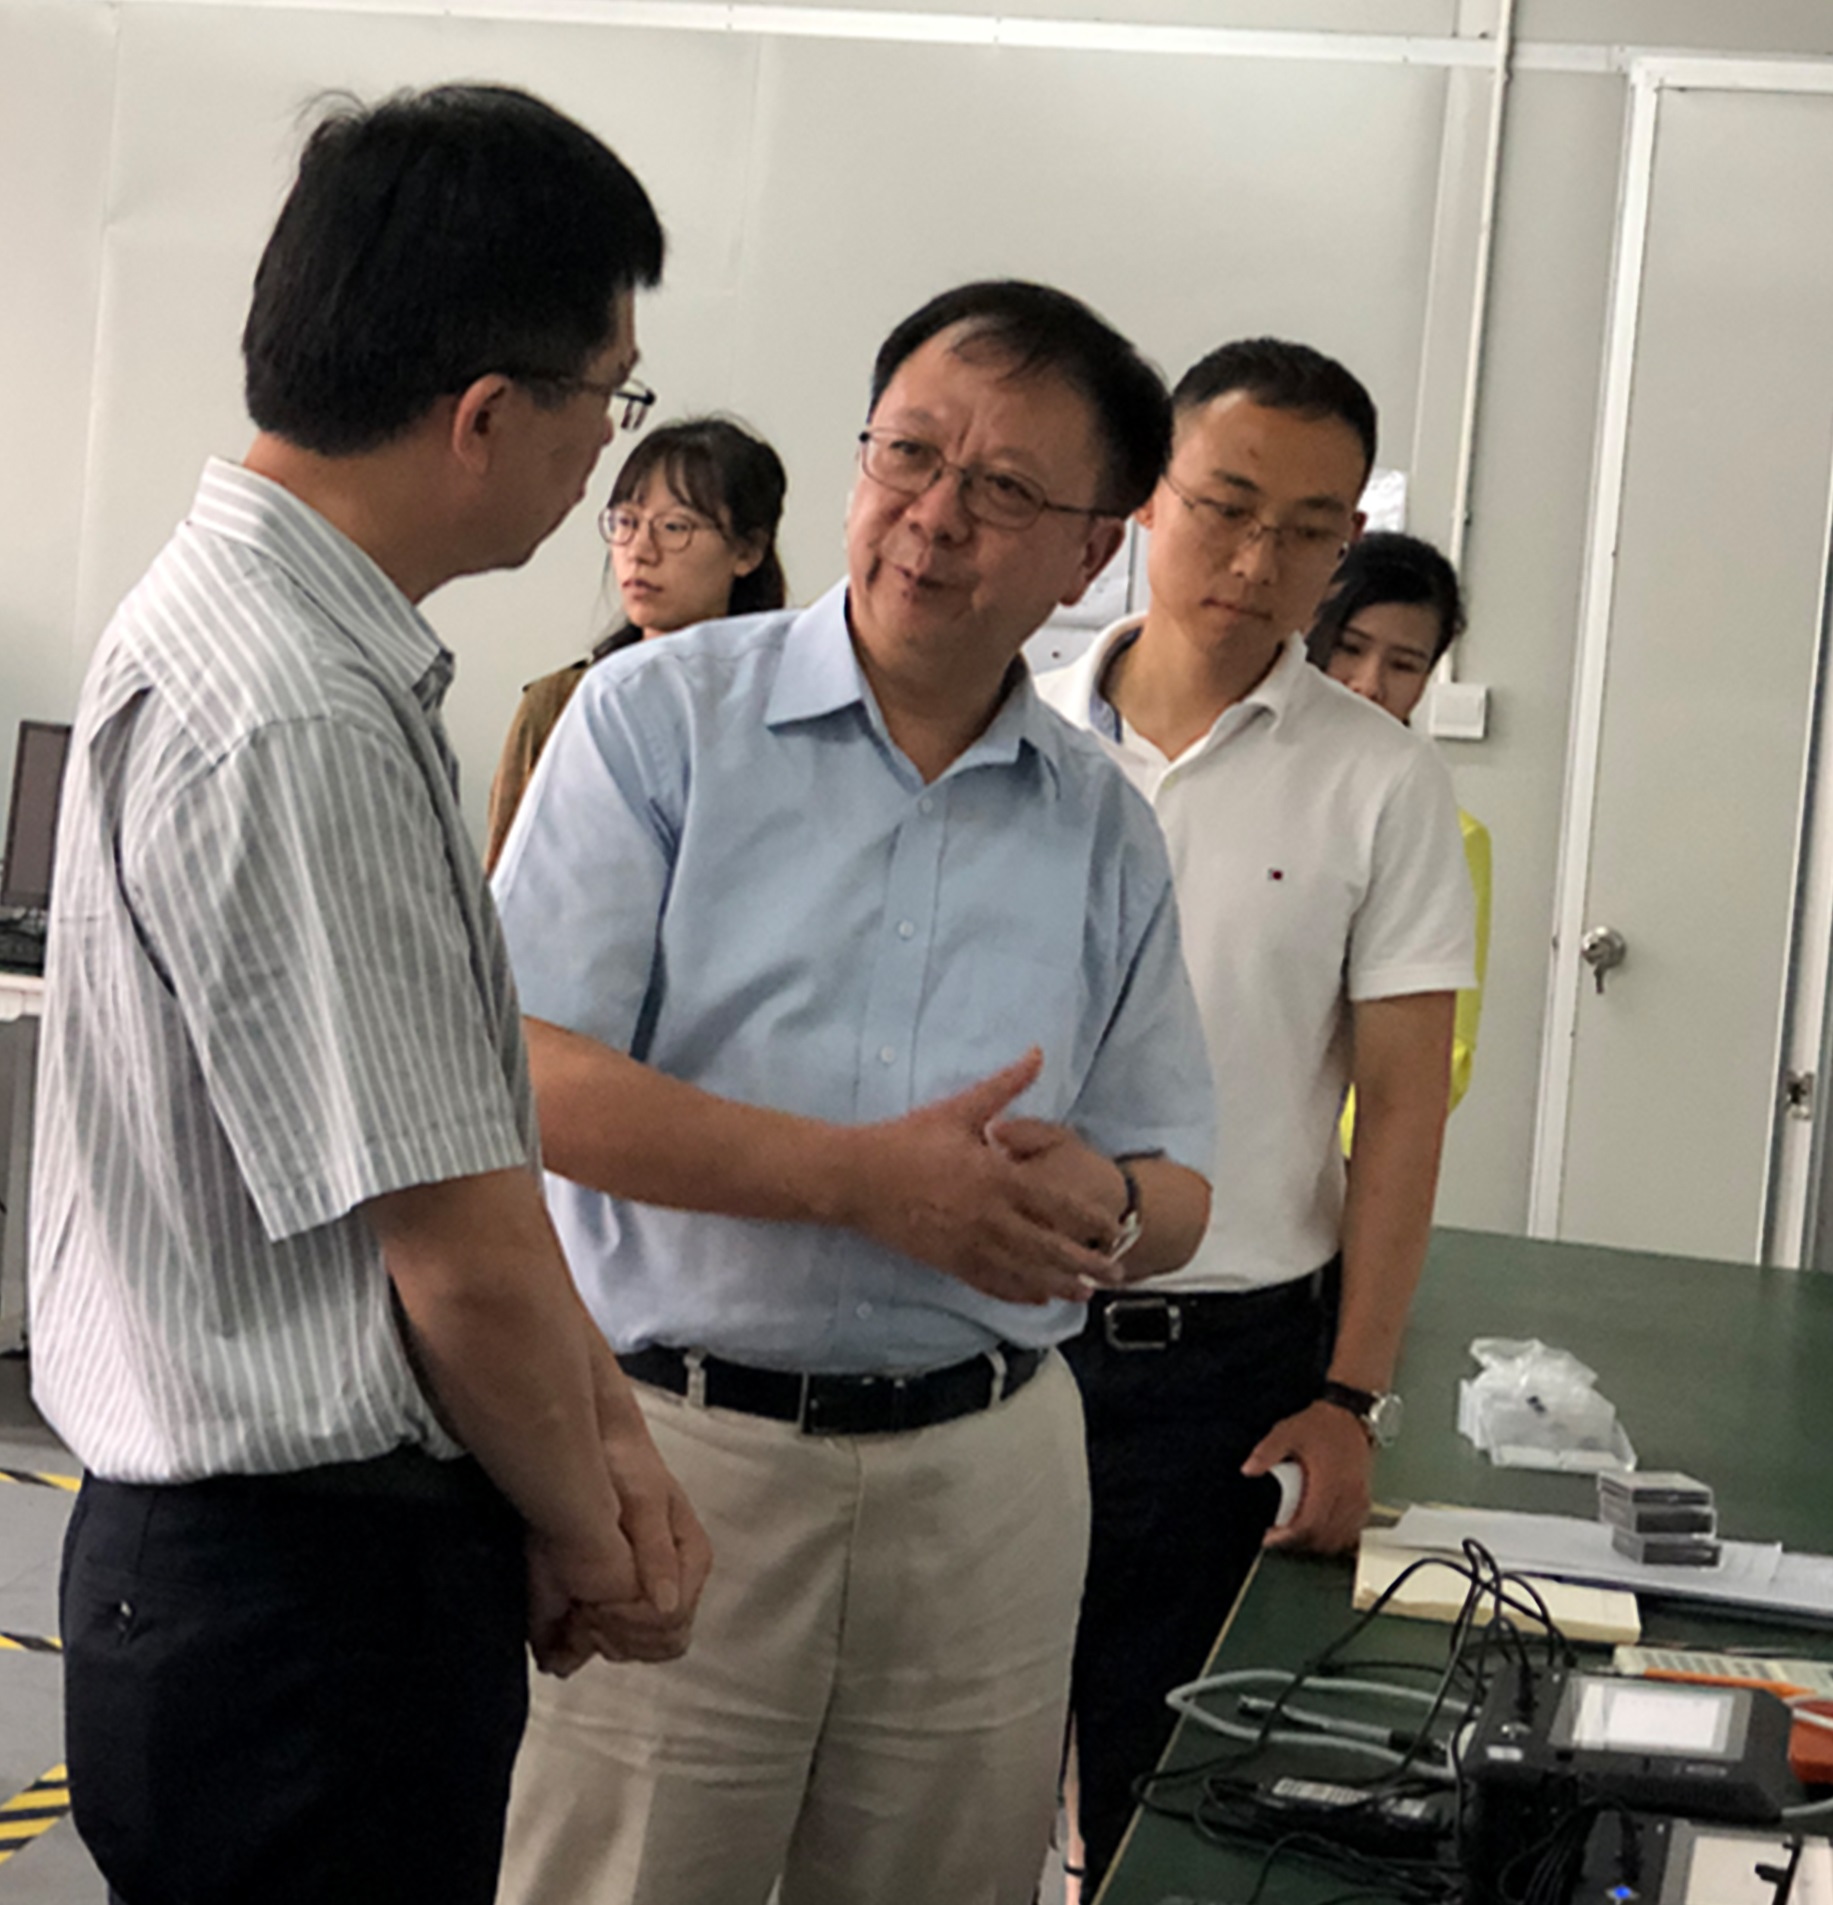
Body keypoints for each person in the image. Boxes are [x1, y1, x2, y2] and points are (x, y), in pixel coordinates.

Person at [30, 85, 709, 1905]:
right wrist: (592, 1531)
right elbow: (455, 1253)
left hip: (283, 1585)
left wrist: (600, 1454)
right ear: (488, 415)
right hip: (299, 1606)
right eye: (606, 400)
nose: (605, 462)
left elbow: (467, 1160)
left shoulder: (284, 644)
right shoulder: (294, 712)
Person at [490, 279, 1216, 1905]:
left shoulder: (1099, 825)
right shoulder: (655, 725)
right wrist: (860, 1181)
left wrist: (1089, 1209)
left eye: (1006, 490)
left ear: (1088, 552)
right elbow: (523, 1077)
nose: (935, 516)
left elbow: (1175, 1187)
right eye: (908, 454)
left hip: (988, 1484)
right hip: (678, 1451)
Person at [1037, 338, 1476, 1891]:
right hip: (955, 1345)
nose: (1256, 556)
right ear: (1146, 495)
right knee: (924, 1784)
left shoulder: (1379, 784)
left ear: (1346, 543)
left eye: (1309, 527)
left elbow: (1402, 1113)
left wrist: (1351, 1398)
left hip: (1212, 1373)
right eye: (1224, 503)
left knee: (1170, 1807)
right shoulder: (1012, 726)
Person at [484, 416, 789, 869]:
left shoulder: (789, 713)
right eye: (626, 521)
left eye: (674, 527)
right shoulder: (556, 706)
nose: (640, 550)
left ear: (748, 551)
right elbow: (501, 898)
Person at [1306, 531, 1492, 1132]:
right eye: (1350, 648)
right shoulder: (1232, 777)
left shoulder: (1451, 834)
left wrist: (1335, 1159)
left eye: (1404, 664)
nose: (1368, 683)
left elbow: (1445, 1050)